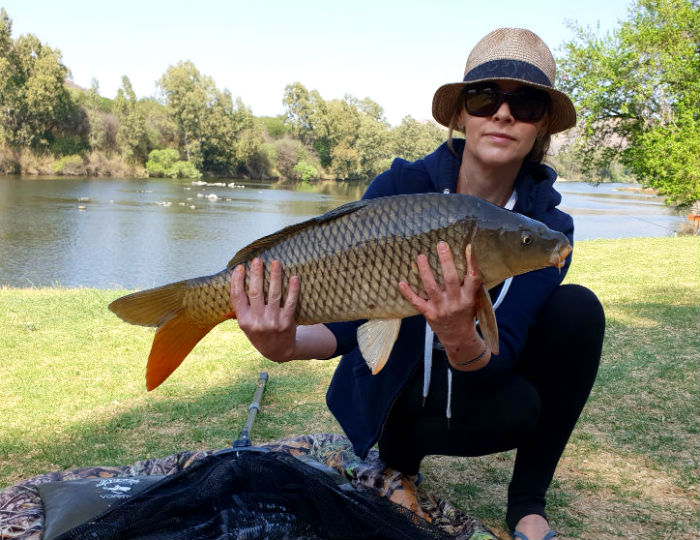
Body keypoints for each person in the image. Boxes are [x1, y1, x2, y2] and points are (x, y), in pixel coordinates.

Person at [230, 28, 605, 540]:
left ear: (541, 128)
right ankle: (397, 459)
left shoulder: (544, 231)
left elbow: (503, 353)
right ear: (460, 115)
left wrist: (456, 331)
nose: (502, 113)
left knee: (578, 310)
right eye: (483, 97)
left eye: (527, 104)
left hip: (483, 405)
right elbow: (348, 325)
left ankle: (528, 504)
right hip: (394, 407)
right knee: (388, 408)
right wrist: (285, 343)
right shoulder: (400, 190)